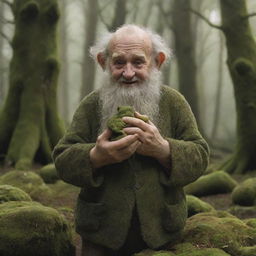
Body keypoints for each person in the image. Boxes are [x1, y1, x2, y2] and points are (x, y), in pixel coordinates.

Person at [52, 24, 209, 256]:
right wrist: (95, 157)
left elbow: (200, 155)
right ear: (103, 62)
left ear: (158, 61)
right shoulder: (91, 104)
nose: (128, 73)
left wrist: (163, 149)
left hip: (163, 233)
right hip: (100, 234)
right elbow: (62, 159)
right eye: (118, 63)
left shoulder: (173, 102)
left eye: (137, 62)